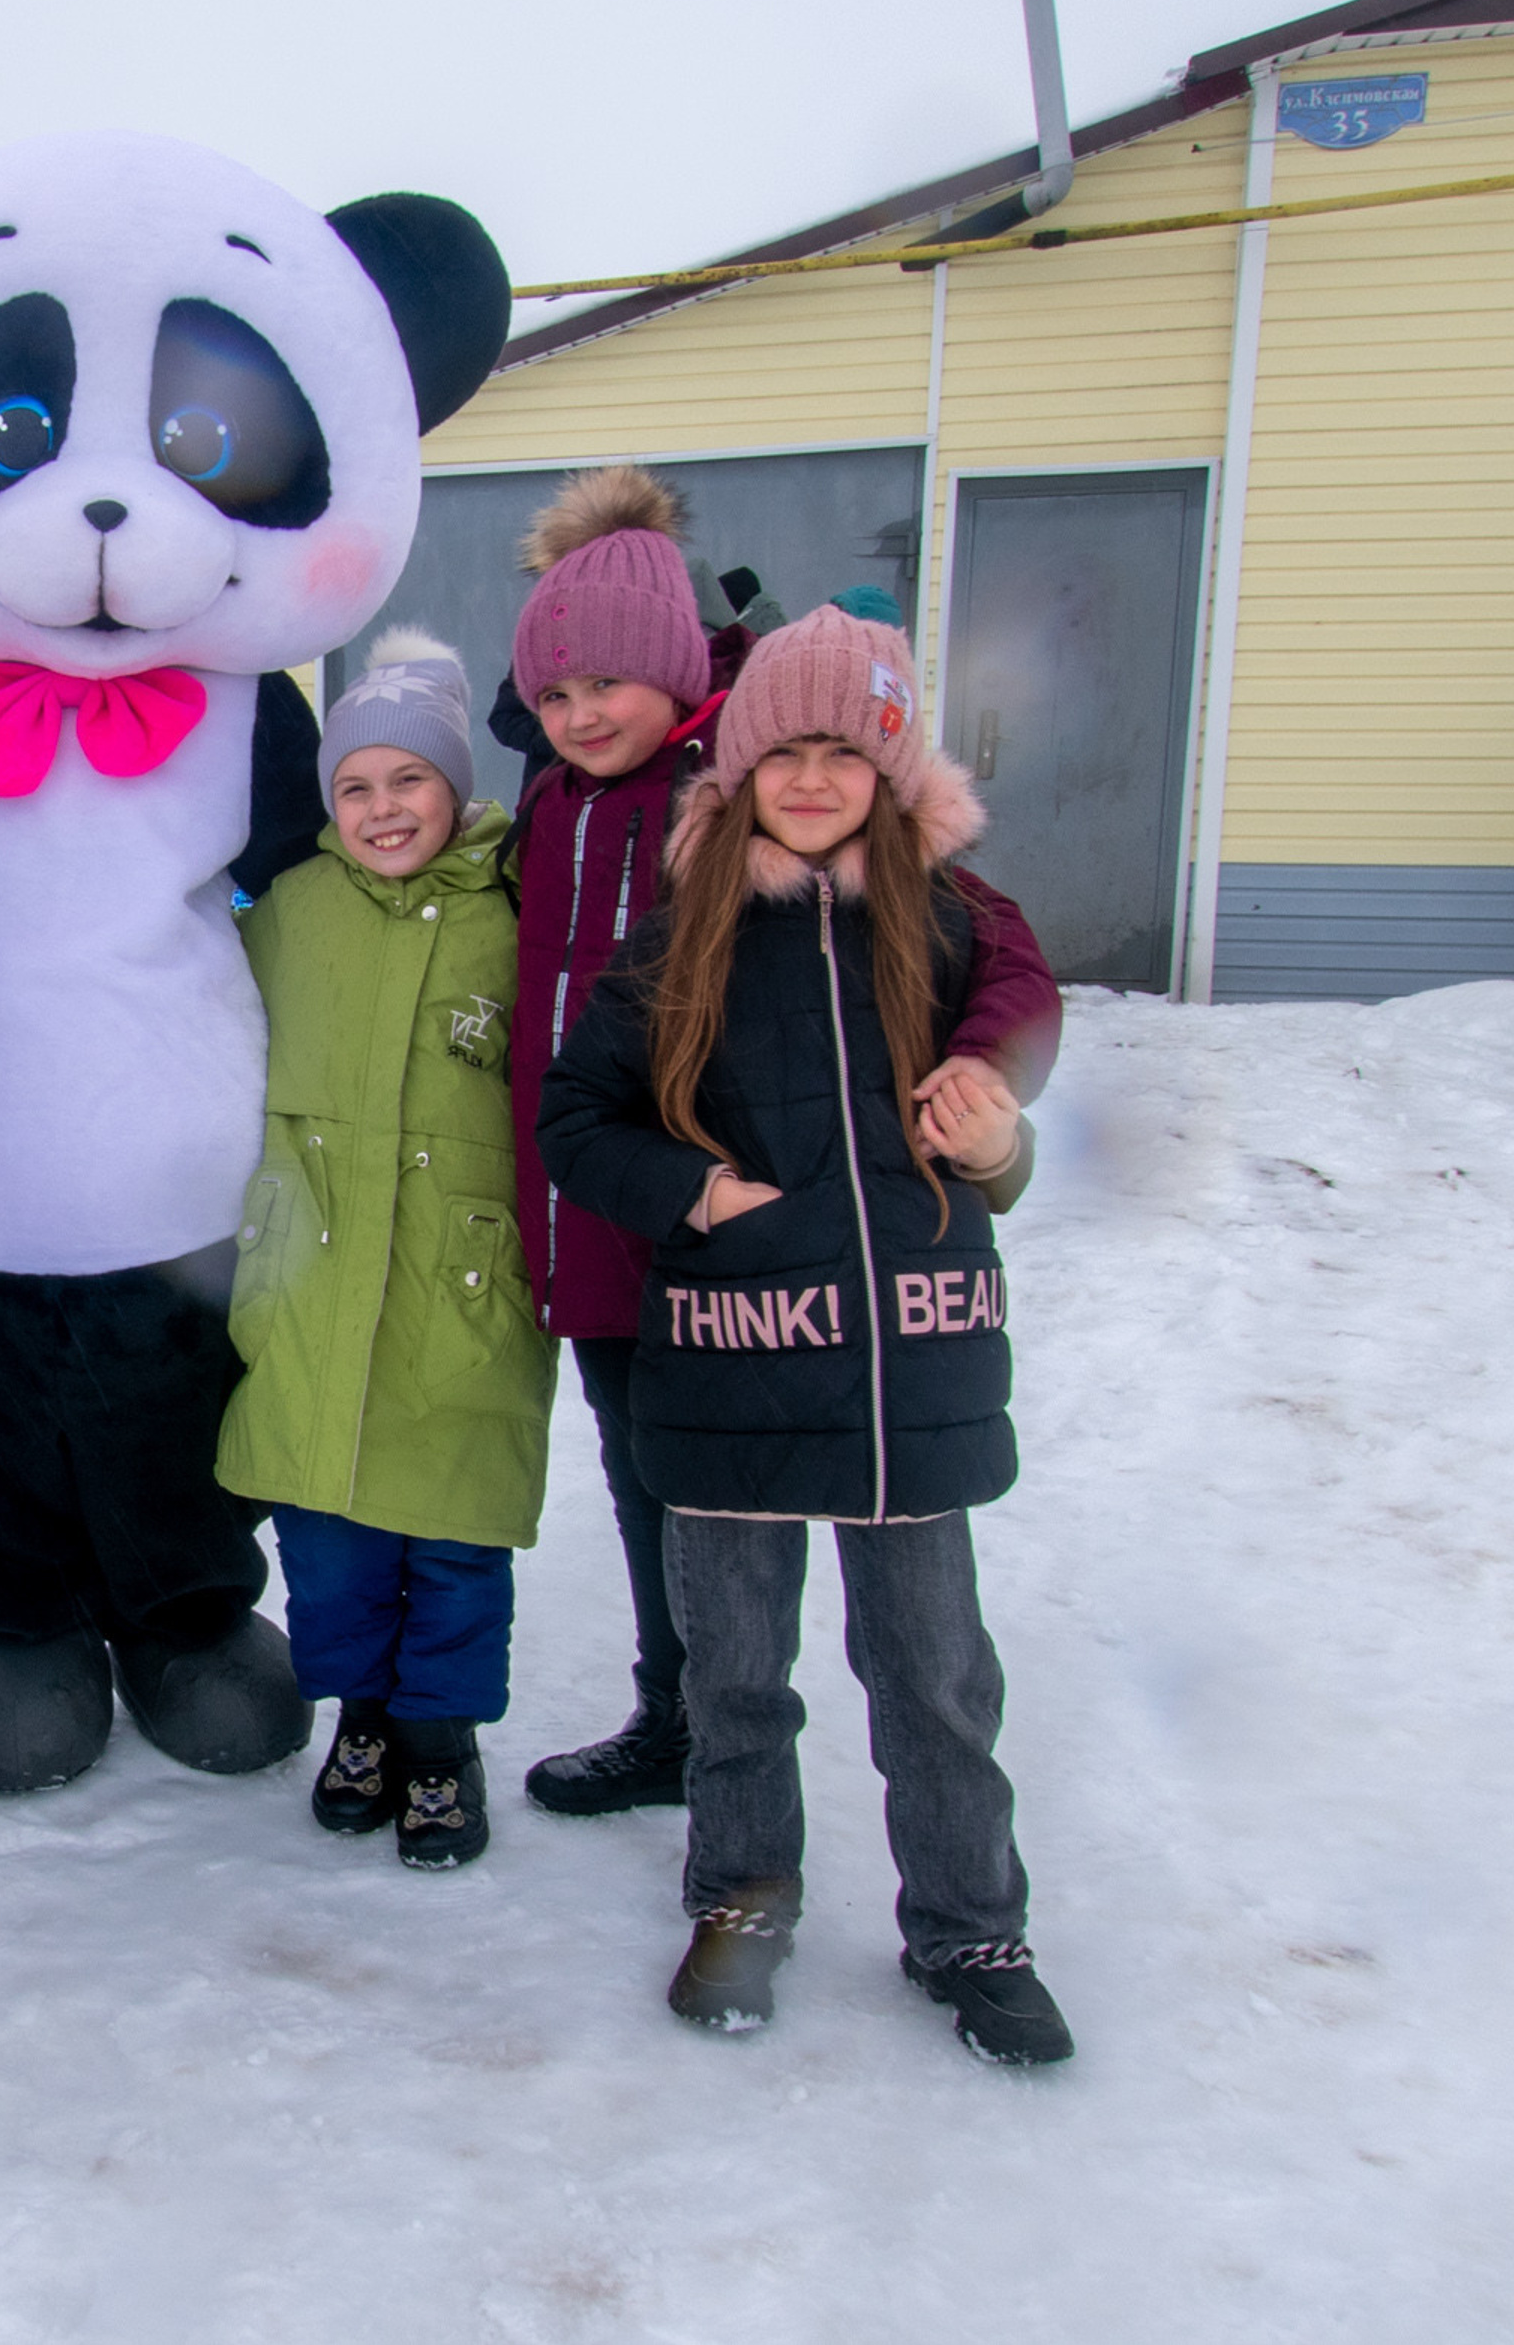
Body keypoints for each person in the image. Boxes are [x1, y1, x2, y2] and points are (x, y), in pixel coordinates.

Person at [537, 603, 1072, 2064]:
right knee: (737, 1675)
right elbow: (574, 1119)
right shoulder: (683, 942)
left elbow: (1004, 1114)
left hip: (911, 1371)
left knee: (935, 1678)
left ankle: (970, 1927)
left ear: (892, 765)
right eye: (791, 750)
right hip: (729, 1369)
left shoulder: (953, 928)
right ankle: (743, 1897)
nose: (819, 777)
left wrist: (996, 1139)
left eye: (851, 748)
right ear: (747, 767)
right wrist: (695, 1193)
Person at [217, 633, 555, 1868]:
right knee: (326, 1530)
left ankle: (441, 1738)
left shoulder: (512, 909)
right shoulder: (292, 911)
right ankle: (361, 1716)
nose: (380, 808)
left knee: (453, 1527)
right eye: (354, 786)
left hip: (458, 1277)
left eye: (407, 780)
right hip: (310, 1265)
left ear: (454, 785)